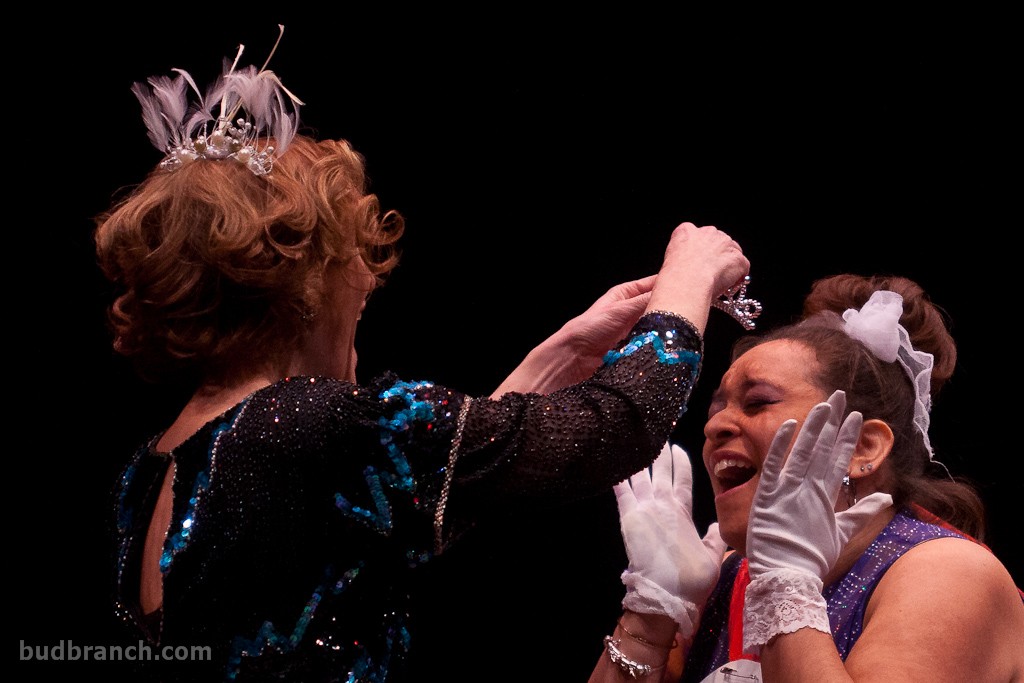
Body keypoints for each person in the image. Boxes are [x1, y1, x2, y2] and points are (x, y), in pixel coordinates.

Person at [94, 28, 753, 682]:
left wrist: (561, 355)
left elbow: (422, 494)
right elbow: (617, 427)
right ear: (307, 279)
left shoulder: (156, 467)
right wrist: (687, 280)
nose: (367, 284)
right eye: (354, 258)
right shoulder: (301, 424)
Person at [590, 274, 1024, 682]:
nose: (715, 426)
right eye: (716, 409)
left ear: (862, 448)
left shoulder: (950, 572)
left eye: (758, 402)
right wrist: (653, 611)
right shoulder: (729, 577)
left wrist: (786, 585)